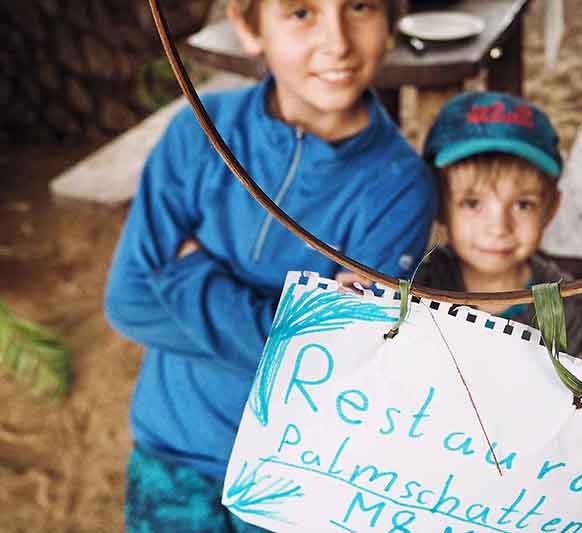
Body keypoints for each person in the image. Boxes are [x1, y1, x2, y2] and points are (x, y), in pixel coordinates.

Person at [104, 1, 436, 531]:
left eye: (360, 6)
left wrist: (192, 278)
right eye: (302, 12)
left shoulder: (398, 187)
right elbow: (130, 304)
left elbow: (333, 368)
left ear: (393, 18)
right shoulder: (197, 136)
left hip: (297, 477)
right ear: (247, 24)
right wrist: (295, 326)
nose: (338, 41)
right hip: (175, 454)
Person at [415, 91, 582, 355]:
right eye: (472, 203)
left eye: (523, 205)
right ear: (438, 203)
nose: (498, 228)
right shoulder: (419, 288)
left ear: (550, 208)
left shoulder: (562, 305)